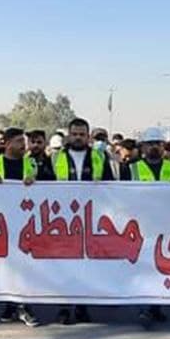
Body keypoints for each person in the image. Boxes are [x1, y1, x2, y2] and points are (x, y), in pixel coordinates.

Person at [51, 118, 112, 325]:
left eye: (82, 134)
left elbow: (111, 186)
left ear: (88, 136)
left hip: (90, 217)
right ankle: (64, 308)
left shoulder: (99, 157)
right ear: (69, 135)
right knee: (64, 264)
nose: (78, 137)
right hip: (61, 219)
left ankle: (83, 306)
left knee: (86, 264)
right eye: (74, 134)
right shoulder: (55, 157)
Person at [0, 128, 43, 328]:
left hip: (26, 223)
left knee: (25, 265)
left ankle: (24, 305)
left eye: (24, 141)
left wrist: (35, 180)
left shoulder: (31, 162)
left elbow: (46, 184)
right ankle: (10, 303)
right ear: (8, 143)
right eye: (20, 141)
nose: (24, 145)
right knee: (7, 265)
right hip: (0, 223)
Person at [126, 127, 170, 329]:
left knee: (160, 267)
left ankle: (155, 307)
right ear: (143, 147)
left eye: (158, 143)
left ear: (163, 146)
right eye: (150, 144)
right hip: (141, 225)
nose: (154, 147)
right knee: (143, 267)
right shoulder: (131, 168)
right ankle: (145, 307)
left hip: (166, 225)